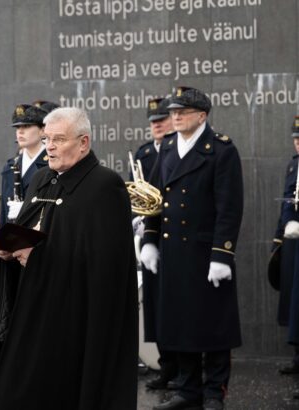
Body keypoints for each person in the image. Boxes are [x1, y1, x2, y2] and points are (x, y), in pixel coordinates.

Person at [0, 107, 138, 410]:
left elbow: (106, 264)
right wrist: (7, 249)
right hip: (30, 309)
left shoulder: (104, 185)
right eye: (47, 139)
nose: (50, 147)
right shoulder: (42, 179)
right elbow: (31, 227)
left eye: (59, 139)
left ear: (83, 143)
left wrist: (39, 257)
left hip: (72, 320)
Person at [141, 87, 244, 410]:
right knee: (180, 321)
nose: (176, 116)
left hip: (205, 253)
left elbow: (229, 207)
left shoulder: (221, 150)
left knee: (213, 324)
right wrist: (149, 241)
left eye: (183, 111)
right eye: (174, 112)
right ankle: (188, 388)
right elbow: (156, 199)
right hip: (173, 253)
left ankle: (214, 390)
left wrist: (222, 254)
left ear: (202, 115)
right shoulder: (168, 146)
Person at [133, 98, 179, 390]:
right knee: (156, 305)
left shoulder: (177, 151)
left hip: (176, 236)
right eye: (153, 121)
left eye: (162, 119)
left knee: (177, 305)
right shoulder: (145, 153)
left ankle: (183, 368)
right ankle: (165, 365)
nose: (157, 125)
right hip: (151, 236)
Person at [272, 116, 299, 376]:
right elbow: (287, 202)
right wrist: (279, 235)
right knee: (293, 302)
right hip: (292, 241)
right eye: (296, 139)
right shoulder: (293, 166)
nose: (298, 143)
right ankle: (297, 356)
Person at [0, 103, 50, 226]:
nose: (20, 131)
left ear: (43, 131)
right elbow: (4, 213)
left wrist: (26, 209)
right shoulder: (11, 166)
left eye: (26, 126)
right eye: (17, 127)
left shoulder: (52, 164)